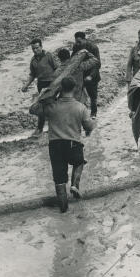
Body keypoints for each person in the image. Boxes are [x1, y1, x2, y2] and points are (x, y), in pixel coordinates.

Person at [42, 76, 95, 212]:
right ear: (75, 89)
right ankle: (75, 184)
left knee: (59, 179)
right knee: (79, 162)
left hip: (55, 145)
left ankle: (63, 209)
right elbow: (89, 127)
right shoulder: (80, 107)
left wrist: (44, 95)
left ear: (60, 88)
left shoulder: (52, 106)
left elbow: (33, 109)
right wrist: (91, 121)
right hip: (73, 143)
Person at [22, 39, 58, 133]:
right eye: (33, 49)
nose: (35, 50)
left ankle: (54, 127)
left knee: (51, 105)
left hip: (51, 83)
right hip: (41, 85)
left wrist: (57, 82)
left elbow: (57, 68)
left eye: (37, 48)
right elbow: (32, 75)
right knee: (41, 107)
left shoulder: (48, 56)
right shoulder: (33, 60)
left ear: (41, 47)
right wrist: (26, 85)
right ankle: (40, 128)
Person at [71, 32, 101, 118]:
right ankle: (82, 113)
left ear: (84, 39)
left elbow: (98, 64)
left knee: (93, 96)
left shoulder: (93, 47)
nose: (77, 44)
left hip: (92, 74)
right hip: (81, 74)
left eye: (79, 42)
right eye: (76, 41)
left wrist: (91, 76)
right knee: (80, 95)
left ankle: (93, 113)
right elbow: (73, 59)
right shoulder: (76, 46)